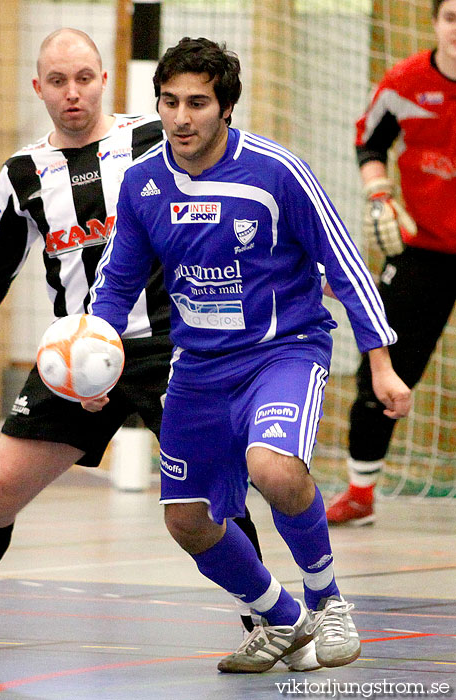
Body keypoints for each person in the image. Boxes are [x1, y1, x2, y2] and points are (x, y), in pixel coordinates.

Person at [0, 28, 276, 663]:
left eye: (85, 78)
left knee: (205, 495)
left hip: (173, 344)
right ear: (38, 88)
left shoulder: (155, 140)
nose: (73, 94)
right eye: (58, 82)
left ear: (104, 80)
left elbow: (234, 204)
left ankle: (267, 623)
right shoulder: (22, 176)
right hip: (77, 352)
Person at [85, 37, 412, 673]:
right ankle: (283, 618)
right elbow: (118, 282)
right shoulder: (143, 183)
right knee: (186, 520)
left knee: (275, 468)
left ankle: (327, 601)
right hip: (199, 368)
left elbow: (343, 266)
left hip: (282, 352)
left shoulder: (277, 172)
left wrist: (381, 361)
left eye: (198, 103)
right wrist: (92, 356)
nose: (181, 117)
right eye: (170, 101)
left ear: (225, 108)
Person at [326, 0, 456, 526]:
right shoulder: (405, 83)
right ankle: (361, 494)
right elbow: (370, 142)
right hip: (422, 250)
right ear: (435, 23)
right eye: (451, 17)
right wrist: (378, 194)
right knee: (383, 367)